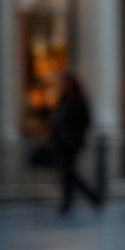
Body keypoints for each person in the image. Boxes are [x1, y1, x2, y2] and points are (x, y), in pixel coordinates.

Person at [50, 71, 101, 214]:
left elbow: (85, 121)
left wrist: (76, 136)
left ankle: (78, 198)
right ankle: (77, 198)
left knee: (68, 172)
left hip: (72, 142)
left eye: (65, 82)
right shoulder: (64, 100)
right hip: (61, 141)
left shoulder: (78, 100)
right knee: (67, 172)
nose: (63, 85)